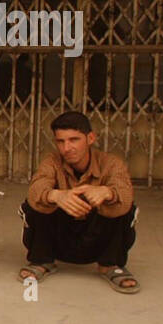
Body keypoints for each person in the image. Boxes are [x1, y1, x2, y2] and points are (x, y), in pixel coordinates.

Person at [19, 111, 138, 293]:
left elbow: (125, 191)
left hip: (97, 237)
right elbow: (37, 187)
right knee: (36, 202)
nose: (67, 148)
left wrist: (107, 192)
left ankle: (110, 265)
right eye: (61, 141)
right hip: (60, 236)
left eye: (74, 140)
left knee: (124, 205)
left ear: (90, 138)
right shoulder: (52, 161)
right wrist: (57, 196)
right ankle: (42, 260)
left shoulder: (111, 163)